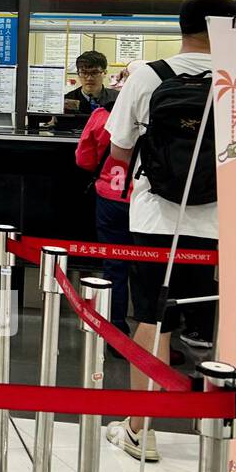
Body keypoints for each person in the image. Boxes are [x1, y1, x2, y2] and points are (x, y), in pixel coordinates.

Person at [104, 0, 236, 462]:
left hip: (155, 218)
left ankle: (138, 430)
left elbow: (119, 151)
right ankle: (222, 433)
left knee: (151, 316)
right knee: (221, 323)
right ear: (223, 29)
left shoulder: (148, 75)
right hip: (222, 223)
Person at [74, 87, 133, 339]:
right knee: (148, 269)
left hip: (109, 198)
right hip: (146, 203)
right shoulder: (154, 116)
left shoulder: (100, 116)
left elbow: (84, 160)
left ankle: (116, 327)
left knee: (115, 265)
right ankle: (152, 335)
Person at [63, 50, 117, 118]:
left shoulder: (117, 99)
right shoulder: (67, 100)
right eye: (84, 73)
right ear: (78, 74)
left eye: (94, 73)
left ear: (105, 73)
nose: (89, 78)